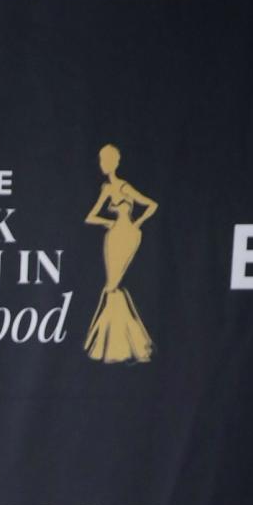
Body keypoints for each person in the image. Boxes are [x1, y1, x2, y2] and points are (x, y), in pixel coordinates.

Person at [83, 143, 157, 363]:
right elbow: (90, 216)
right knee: (111, 285)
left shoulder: (124, 187)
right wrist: (109, 222)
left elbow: (151, 204)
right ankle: (114, 340)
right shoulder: (106, 189)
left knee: (113, 285)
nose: (102, 165)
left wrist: (137, 223)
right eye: (101, 161)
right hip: (114, 235)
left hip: (128, 235)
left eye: (106, 160)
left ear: (114, 162)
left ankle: (118, 341)